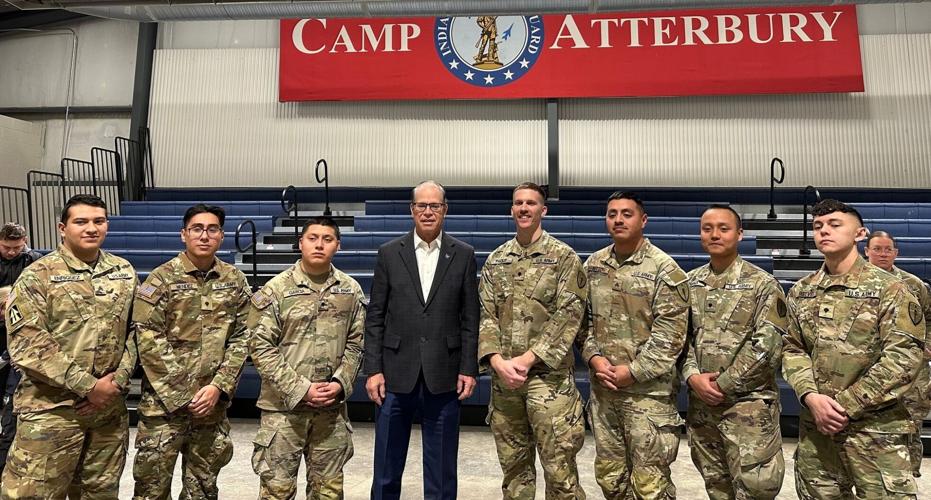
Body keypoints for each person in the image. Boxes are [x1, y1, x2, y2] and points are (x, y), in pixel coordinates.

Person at [784, 199, 924, 498]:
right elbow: (792, 349)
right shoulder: (802, 291)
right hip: (817, 431)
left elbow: (903, 358)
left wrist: (843, 405)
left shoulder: (891, 289)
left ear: (860, 234)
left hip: (876, 432)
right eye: (818, 226)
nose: (824, 231)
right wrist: (811, 397)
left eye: (835, 225)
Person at [2, 194, 137, 498]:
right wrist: (88, 386)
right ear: (62, 228)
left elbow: (138, 332)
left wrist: (116, 382)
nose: (91, 228)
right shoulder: (37, 276)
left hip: (107, 414)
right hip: (51, 412)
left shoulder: (123, 272)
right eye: (81, 221)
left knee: (99, 494)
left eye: (98, 221)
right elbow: (28, 344)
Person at [365, 180, 479, 500]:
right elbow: (375, 316)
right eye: (422, 206)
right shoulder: (389, 253)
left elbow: (471, 318)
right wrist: (372, 369)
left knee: (442, 471)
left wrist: (468, 368)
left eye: (435, 206)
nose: (428, 212)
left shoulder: (464, 254)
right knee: (386, 467)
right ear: (412, 210)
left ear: (445, 210)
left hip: (445, 373)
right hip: (393, 373)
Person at [131, 204, 251, 499]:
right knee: (151, 490)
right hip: (163, 409)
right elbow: (147, 337)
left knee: (203, 490)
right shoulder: (161, 279)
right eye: (197, 229)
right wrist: (184, 394)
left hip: (212, 408)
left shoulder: (235, 281)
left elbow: (243, 336)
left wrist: (217, 387)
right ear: (183, 234)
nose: (204, 235)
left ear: (221, 236)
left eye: (212, 229)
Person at [576, 191, 689, 499]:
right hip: (604, 394)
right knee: (611, 479)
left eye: (626, 213)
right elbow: (582, 324)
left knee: (650, 485)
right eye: (612, 213)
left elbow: (671, 336)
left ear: (643, 220)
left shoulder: (665, 271)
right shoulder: (593, 265)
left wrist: (633, 372)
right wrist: (594, 359)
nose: (618, 219)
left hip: (648, 397)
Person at [478, 182, 587, 499]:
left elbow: (569, 316)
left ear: (544, 210)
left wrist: (525, 361)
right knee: (514, 473)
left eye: (531, 203)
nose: (523, 208)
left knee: (560, 473)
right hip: (505, 382)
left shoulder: (563, 258)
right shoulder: (496, 261)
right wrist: (497, 362)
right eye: (518, 203)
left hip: (548, 382)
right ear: (512, 209)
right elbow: (486, 315)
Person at [249, 216, 365, 499]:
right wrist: (300, 389)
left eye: (327, 239)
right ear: (300, 243)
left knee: (328, 493)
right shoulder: (275, 290)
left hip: (330, 411)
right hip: (282, 413)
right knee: (277, 491)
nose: (319, 245)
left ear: (337, 245)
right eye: (312, 238)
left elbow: (357, 344)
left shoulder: (350, 290)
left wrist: (339, 384)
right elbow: (260, 346)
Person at [680, 205, 787, 499]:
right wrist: (692, 378)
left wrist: (722, 385)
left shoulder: (763, 285)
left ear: (740, 234)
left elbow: (767, 349)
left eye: (724, 228)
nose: (715, 234)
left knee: (756, 490)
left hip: (748, 409)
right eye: (707, 228)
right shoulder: (688, 284)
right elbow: (678, 340)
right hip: (703, 408)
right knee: (717, 487)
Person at [864, 230, 931, 477]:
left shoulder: (914, 285)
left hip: (911, 372)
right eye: (878, 249)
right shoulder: (856, 283)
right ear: (866, 251)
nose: (883, 254)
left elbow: (929, 317)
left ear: (896, 253)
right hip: (870, 367)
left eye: (888, 249)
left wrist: (927, 346)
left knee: (910, 425)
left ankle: (909, 476)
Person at [0, 222, 43, 480]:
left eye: (17, 247)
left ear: (25, 241)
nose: (12, 252)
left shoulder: (35, 261)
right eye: (6, 247)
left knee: (11, 415)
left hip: (22, 334)